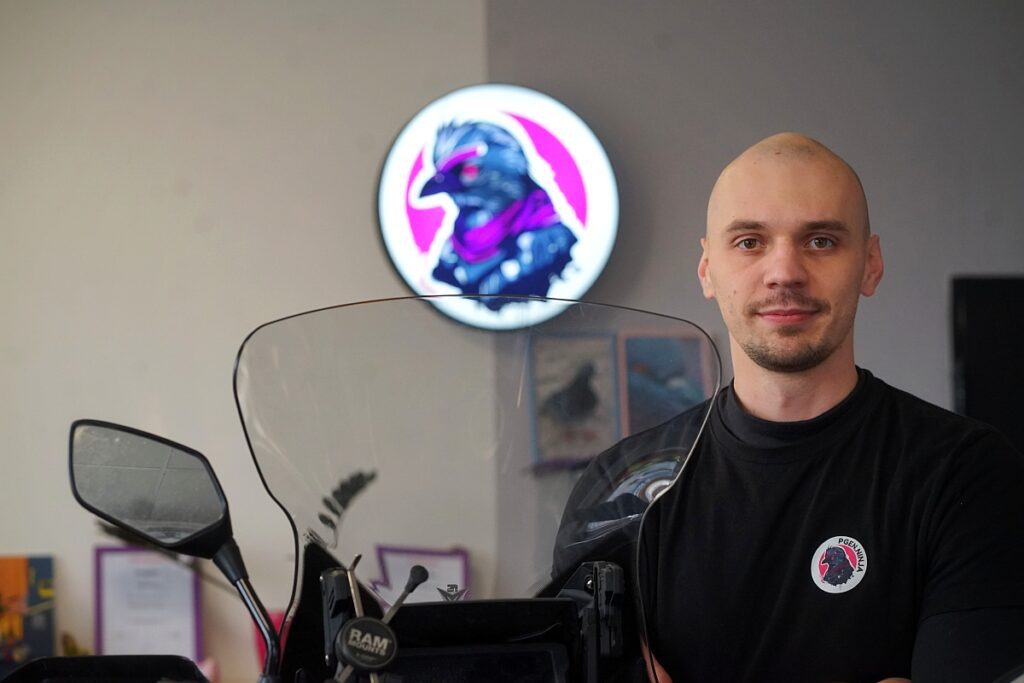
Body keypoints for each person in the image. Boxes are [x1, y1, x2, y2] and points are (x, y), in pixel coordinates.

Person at [611, 132, 1024, 682]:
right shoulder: (621, 492)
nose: (785, 272)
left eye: (822, 240)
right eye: (750, 242)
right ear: (707, 269)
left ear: (870, 265)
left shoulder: (966, 473)